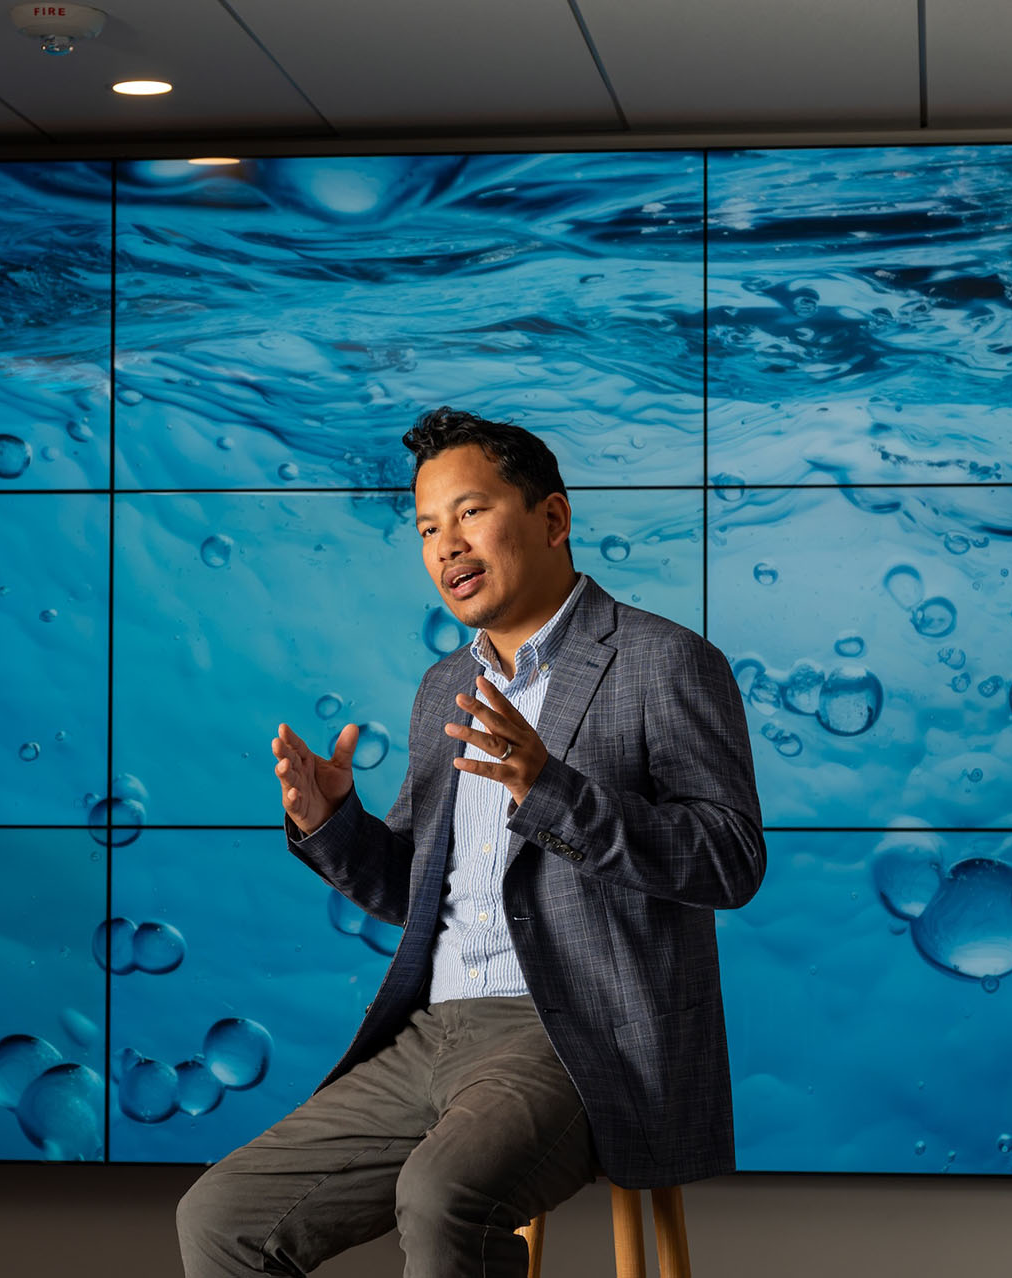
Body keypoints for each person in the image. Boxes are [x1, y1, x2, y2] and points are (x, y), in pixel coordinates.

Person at [177, 408, 766, 1277]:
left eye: (470, 512)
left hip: (572, 1037)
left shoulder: (664, 661)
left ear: (553, 519)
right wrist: (329, 823)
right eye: (426, 527)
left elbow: (729, 860)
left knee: (442, 1195)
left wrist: (551, 790)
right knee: (219, 1214)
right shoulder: (445, 686)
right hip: (434, 1031)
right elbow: (414, 892)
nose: (446, 544)